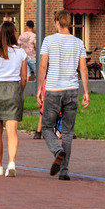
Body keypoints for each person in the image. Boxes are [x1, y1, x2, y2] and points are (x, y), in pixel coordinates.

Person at [36, 13, 89, 180]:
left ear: (57, 22)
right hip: (72, 89)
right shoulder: (78, 42)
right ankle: (64, 171)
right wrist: (86, 92)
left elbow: (43, 65)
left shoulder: (48, 41)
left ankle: (57, 151)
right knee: (67, 131)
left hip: (53, 89)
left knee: (46, 127)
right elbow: (83, 69)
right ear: (69, 23)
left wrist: (39, 88)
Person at [0, 22, 30, 176]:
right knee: (12, 131)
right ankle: (12, 163)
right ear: (14, 34)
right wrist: (18, 91)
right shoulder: (20, 52)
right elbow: (24, 77)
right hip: (13, 90)